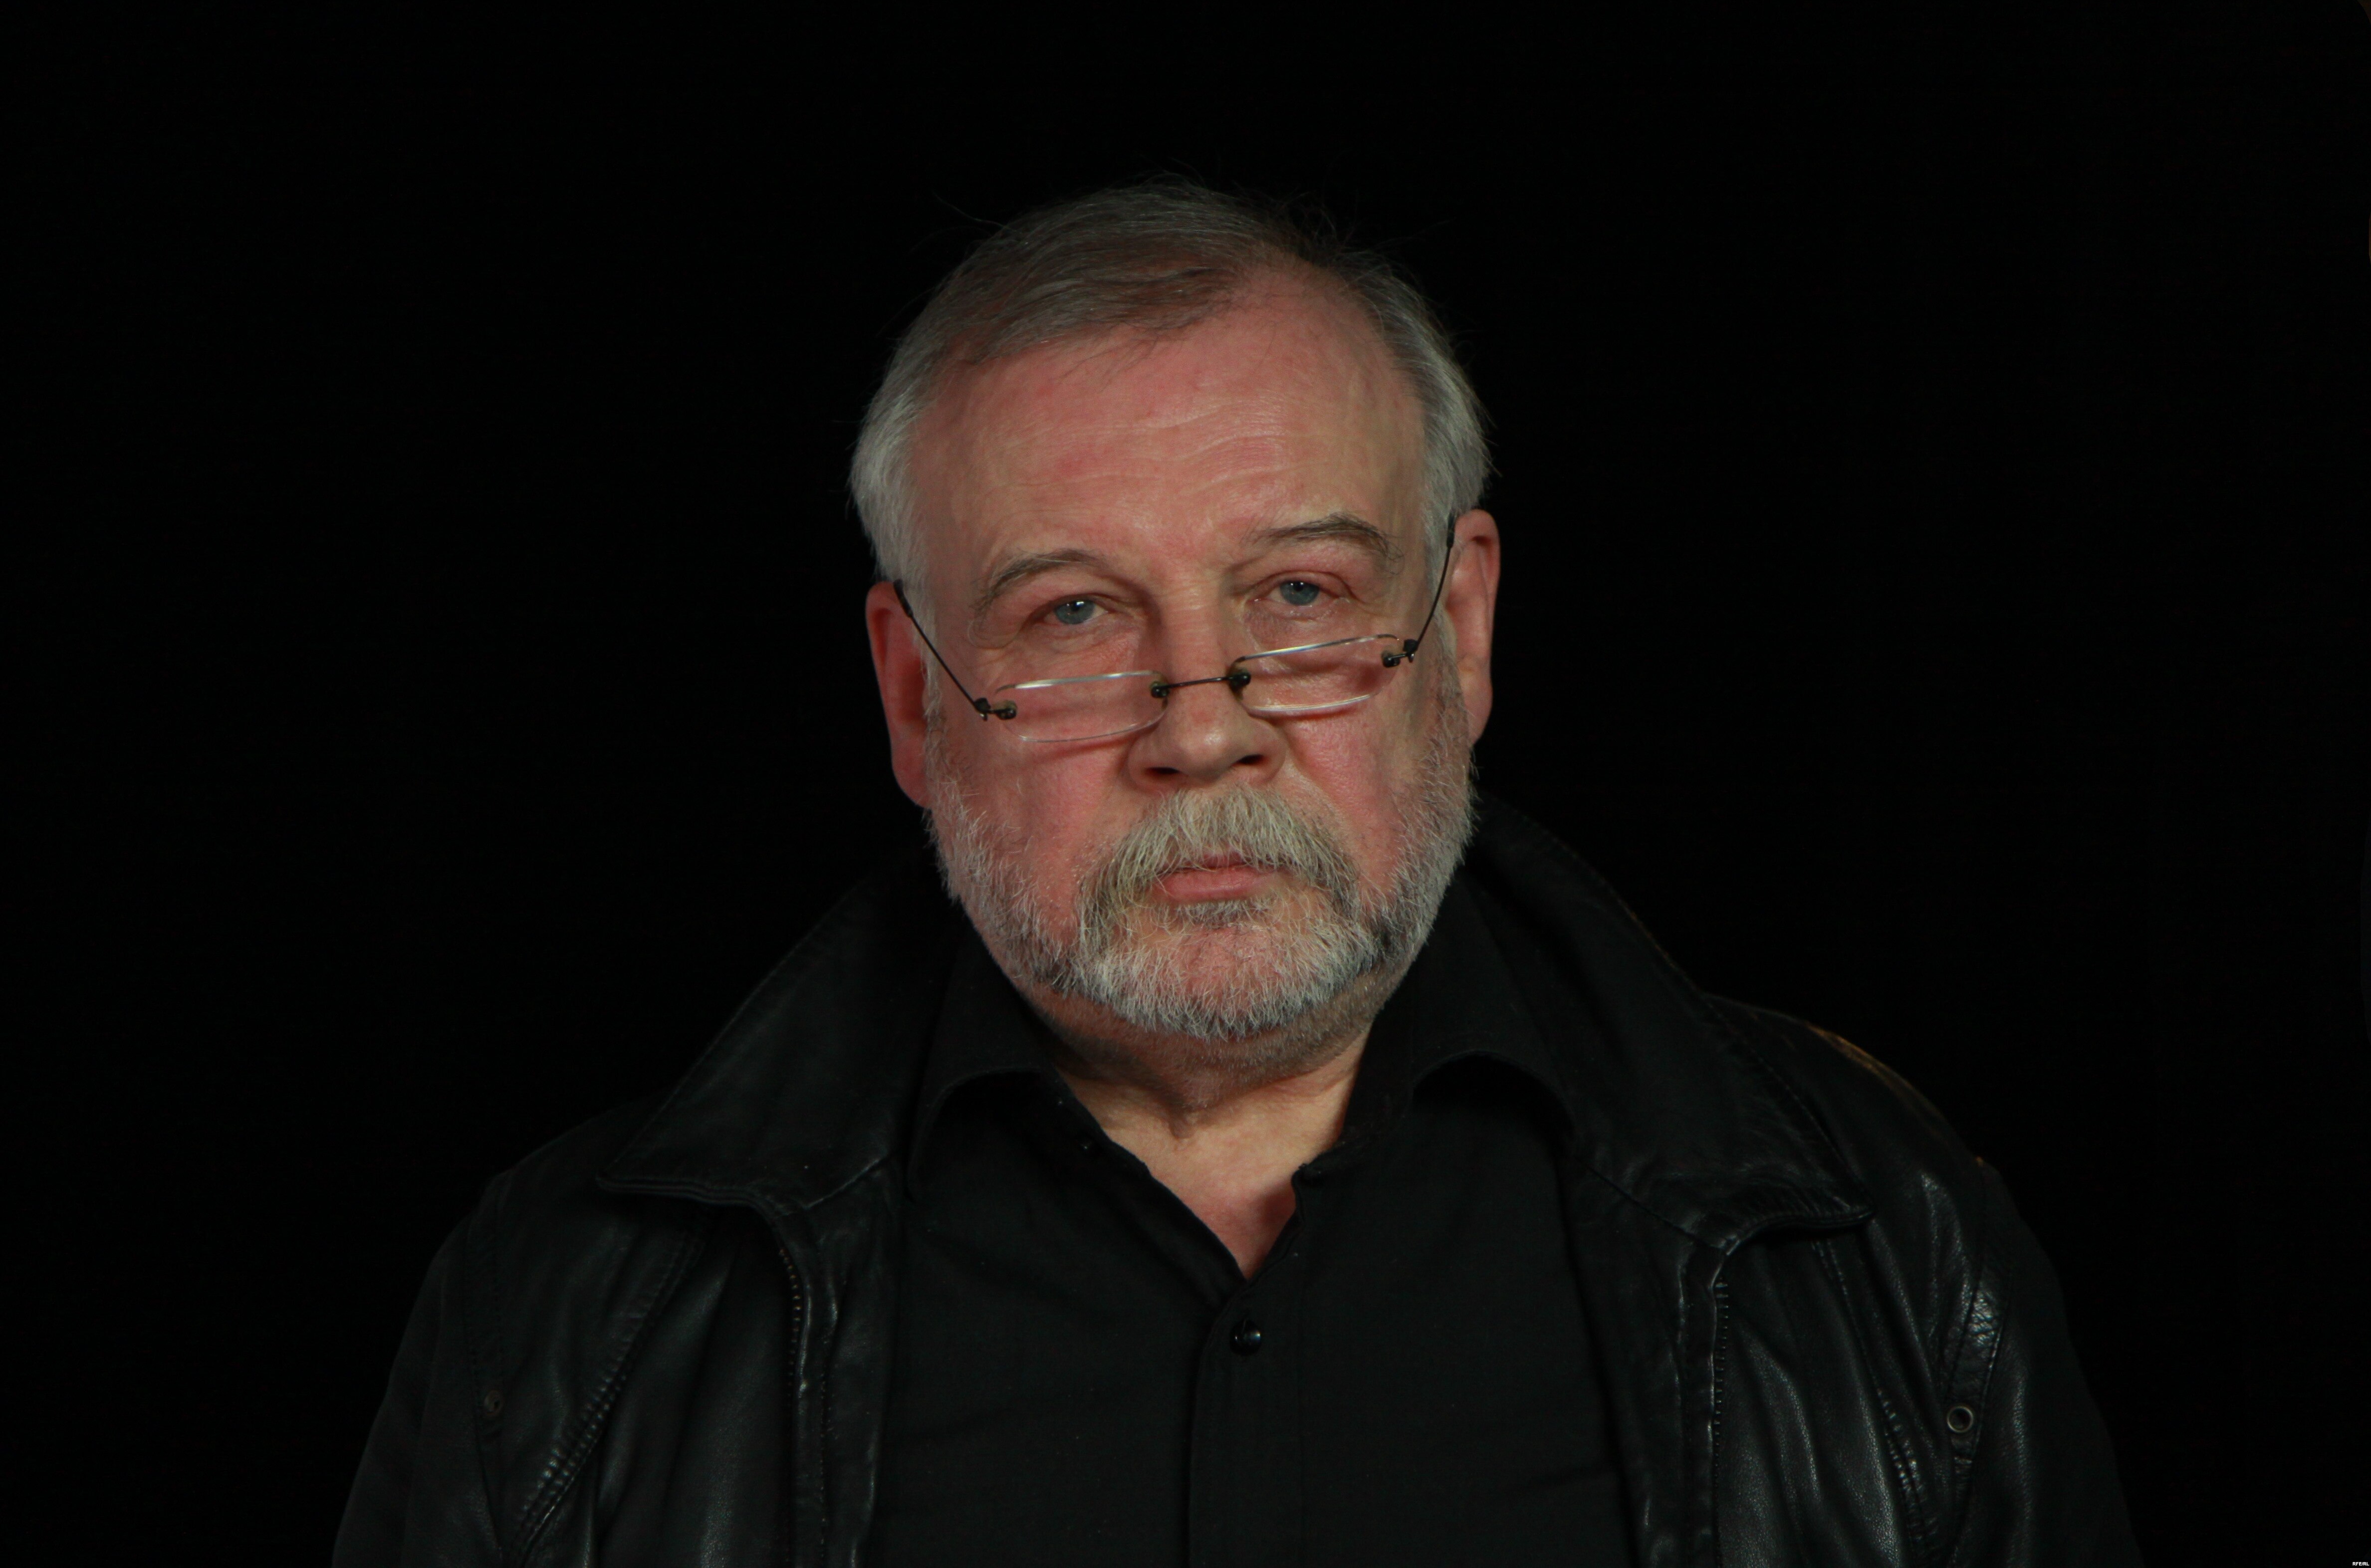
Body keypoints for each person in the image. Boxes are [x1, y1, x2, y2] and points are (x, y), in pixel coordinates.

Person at [336, 182, 2139, 1567]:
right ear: (913, 697)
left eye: (1298, 595)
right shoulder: (565, 1324)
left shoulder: (1887, 1248)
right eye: (1073, 616)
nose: (1202, 728)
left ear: (1464, 630)